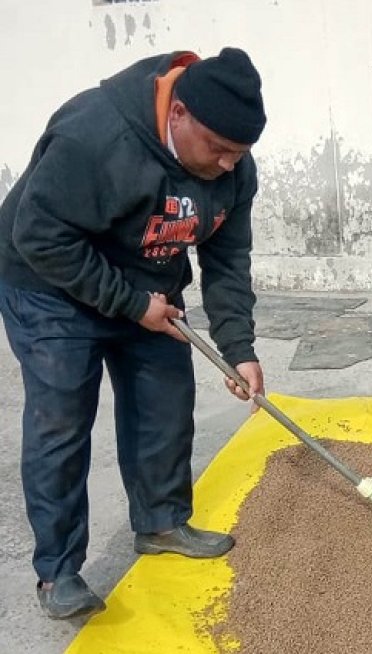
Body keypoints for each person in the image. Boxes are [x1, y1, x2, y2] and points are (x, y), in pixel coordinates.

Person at [0, 47, 268, 619]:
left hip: (147, 276)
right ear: (179, 115)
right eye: (218, 149)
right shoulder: (96, 134)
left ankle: (162, 521)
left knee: (165, 400)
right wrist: (126, 303)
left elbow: (228, 259)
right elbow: (39, 236)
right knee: (62, 419)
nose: (227, 165)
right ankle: (58, 573)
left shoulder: (233, 171)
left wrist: (239, 349)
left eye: (238, 155)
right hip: (48, 281)